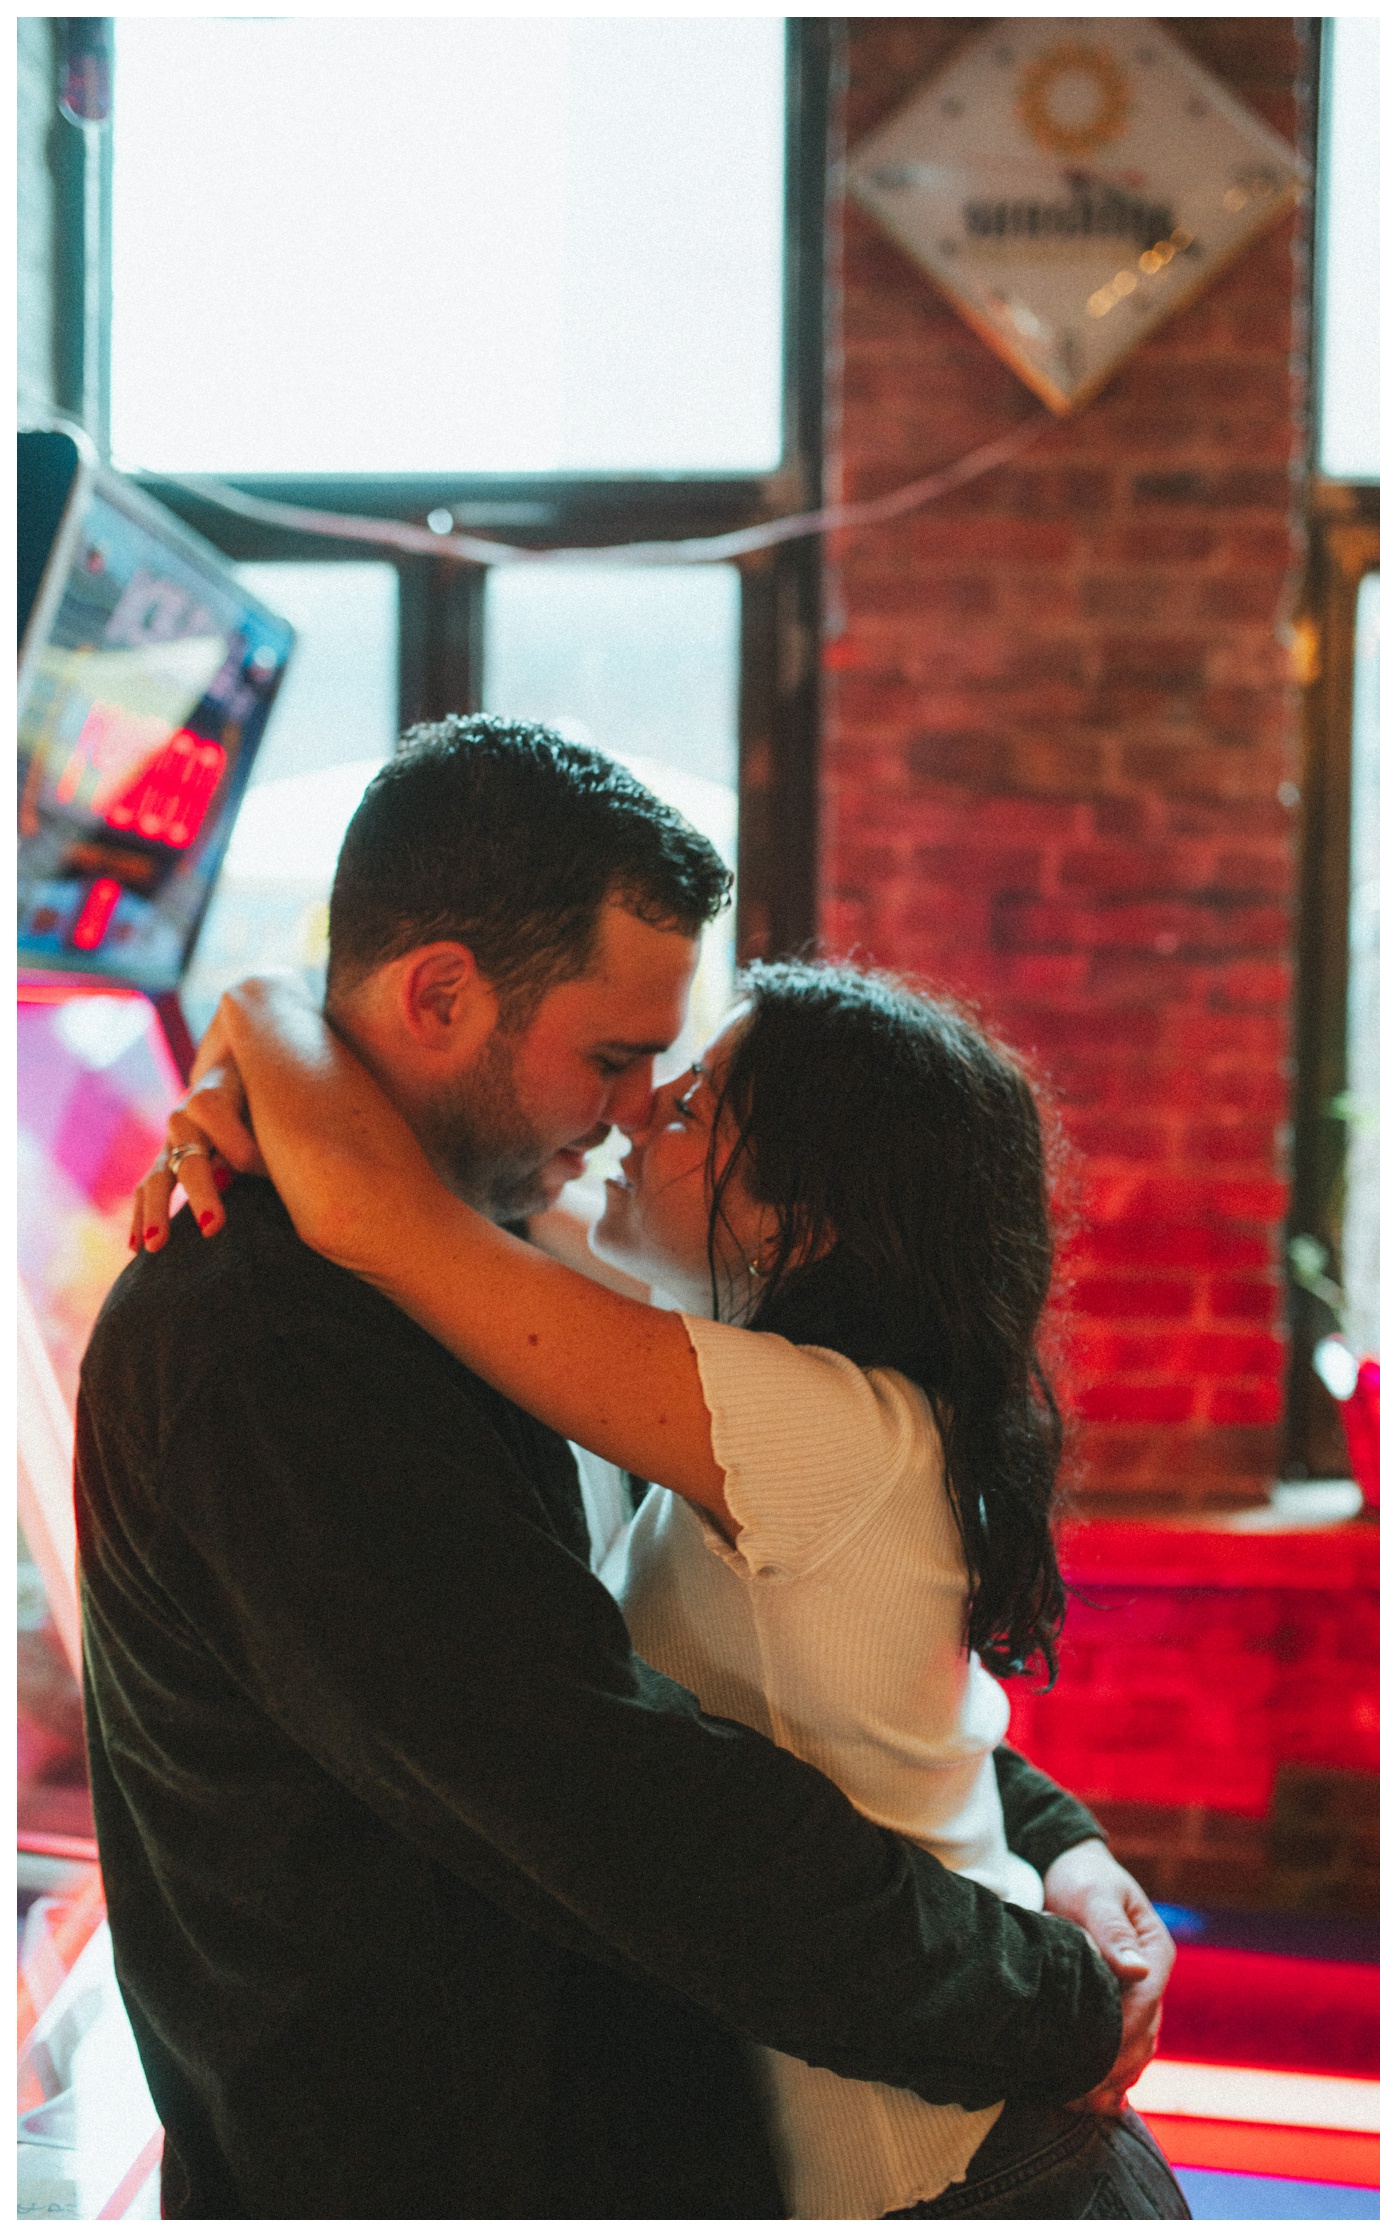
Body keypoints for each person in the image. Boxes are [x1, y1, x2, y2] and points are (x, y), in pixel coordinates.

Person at [84, 716, 1173, 2219]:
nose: (631, 1113)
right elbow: (621, 1793)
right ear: (444, 993)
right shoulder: (276, 1335)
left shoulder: (498, 1277)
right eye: (613, 1057)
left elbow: (750, 1687)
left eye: (673, 1077)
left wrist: (1045, 1843)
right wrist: (1050, 1993)